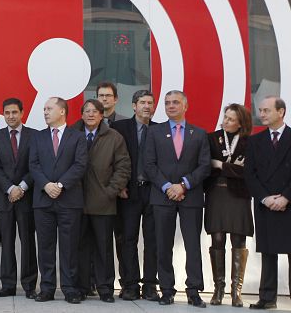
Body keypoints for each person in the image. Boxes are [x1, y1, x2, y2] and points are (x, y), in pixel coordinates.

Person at [143, 90, 210, 308]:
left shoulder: (199, 134)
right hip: (162, 197)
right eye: (167, 103)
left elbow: (204, 166)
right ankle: (167, 290)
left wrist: (183, 185)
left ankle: (193, 290)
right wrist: (166, 187)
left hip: (190, 197)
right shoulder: (154, 132)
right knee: (163, 245)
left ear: (185, 106)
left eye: (175, 102)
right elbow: (149, 165)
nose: (170, 106)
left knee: (192, 245)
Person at [28, 97, 88, 304]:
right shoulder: (37, 137)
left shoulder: (78, 137)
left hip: (69, 199)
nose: (45, 112)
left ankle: (70, 288)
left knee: (69, 246)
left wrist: (60, 185)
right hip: (43, 200)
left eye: (49, 108)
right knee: (45, 246)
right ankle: (47, 288)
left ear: (62, 111)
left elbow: (80, 165)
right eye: (44, 109)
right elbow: (33, 165)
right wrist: (46, 185)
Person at [73, 99, 130, 303]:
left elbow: (123, 166)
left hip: (103, 202)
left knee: (103, 247)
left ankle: (105, 288)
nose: (90, 114)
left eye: (95, 111)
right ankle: (81, 287)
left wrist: (111, 191)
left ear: (101, 115)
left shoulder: (114, 137)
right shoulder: (72, 134)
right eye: (86, 111)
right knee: (79, 247)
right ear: (81, 115)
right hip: (76, 201)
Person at [110, 90, 159, 301]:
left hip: (154, 192)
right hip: (127, 192)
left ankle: (149, 286)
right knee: (127, 239)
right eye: (142, 103)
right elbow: (110, 159)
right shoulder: (119, 128)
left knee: (153, 240)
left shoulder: (160, 130)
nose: (146, 106)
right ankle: (129, 284)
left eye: (150, 103)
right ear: (133, 106)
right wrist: (118, 185)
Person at [0, 98, 38, 299]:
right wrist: (10, 188)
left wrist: (22, 187)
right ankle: (7, 285)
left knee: (27, 243)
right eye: (7, 113)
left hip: (27, 198)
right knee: (7, 242)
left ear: (22, 112)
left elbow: (35, 165)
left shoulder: (34, 136)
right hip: (4, 198)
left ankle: (29, 286)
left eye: (14, 112)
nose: (11, 116)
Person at [244, 96, 291, 310]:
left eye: (266, 110)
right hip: (265, 203)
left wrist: (285, 197)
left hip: (289, 203)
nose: (261, 114)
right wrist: (265, 198)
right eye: (260, 110)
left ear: (281, 112)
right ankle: (267, 297)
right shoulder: (255, 141)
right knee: (268, 252)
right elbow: (250, 175)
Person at [204, 104, 252, 307]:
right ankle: (218, 289)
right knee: (217, 238)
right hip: (217, 193)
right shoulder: (212, 138)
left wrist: (220, 165)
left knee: (238, 240)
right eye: (225, 117)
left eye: (231, 119)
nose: (226, 121)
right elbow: (207, 165)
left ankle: (236, 291)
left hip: (239, 196)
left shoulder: (249, 142)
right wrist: (231, 167)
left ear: (241, 123)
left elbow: (247, 172)